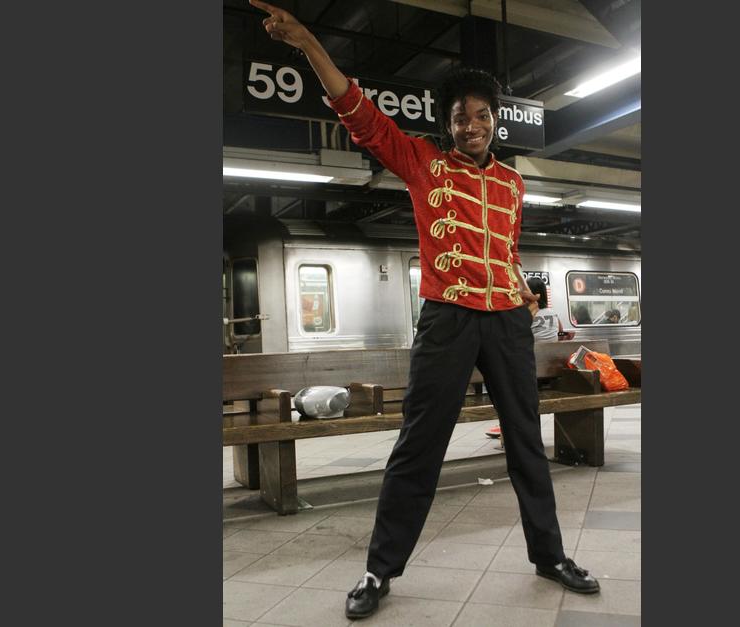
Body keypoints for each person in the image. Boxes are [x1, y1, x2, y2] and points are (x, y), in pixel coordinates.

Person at [248, 2, 601, 619]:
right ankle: (379, 570)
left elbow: (507, 250)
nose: (473, 125)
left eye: (483, 116)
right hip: (448, 320)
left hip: (507, 323)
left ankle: (549, 556)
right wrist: (307, 42)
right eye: (462, 117)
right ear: (448, 124)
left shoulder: (514, 186)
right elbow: (358, 112)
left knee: (525, 442)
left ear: (495, 122)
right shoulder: (423, 164)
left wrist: (519, 288)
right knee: (419, 446)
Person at [487, 276, 569, 440]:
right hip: (551, 373)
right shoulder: (553, 313)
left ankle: (506, 427)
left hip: (530, 372)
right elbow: (559, 333)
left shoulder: (526, 313)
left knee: (506, 389)